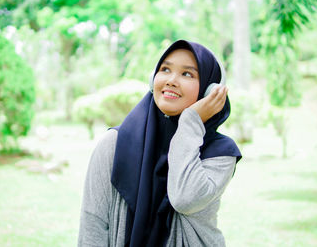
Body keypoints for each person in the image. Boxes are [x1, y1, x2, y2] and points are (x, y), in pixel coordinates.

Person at [78, 39, 242, 247]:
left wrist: (190, 121)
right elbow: (93, 223)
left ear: (211, 91)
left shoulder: (220, 152)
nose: (171, 80)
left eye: (187, 74)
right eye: (165, 69)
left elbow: (185, 199)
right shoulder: (115, 143)